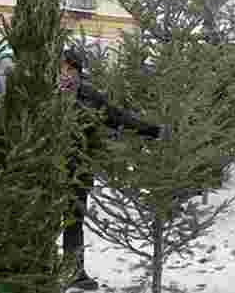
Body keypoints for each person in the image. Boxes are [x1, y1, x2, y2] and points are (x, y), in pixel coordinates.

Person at [60, 48, 160, 290]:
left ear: (79, 73)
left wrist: (152, 130)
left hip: (78, 171)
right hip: (43, 169)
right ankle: (38, 269)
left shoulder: (90, 97)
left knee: (73, 222)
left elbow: (118, 117)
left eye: (71, 69)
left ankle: (74, 271)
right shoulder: (43, 95)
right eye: (60, 68)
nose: (65, 74)